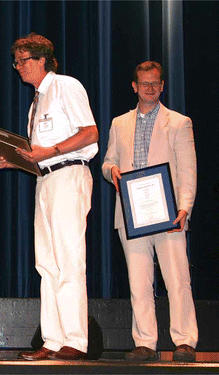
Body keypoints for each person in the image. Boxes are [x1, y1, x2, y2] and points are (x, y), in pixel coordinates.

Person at [0, 33, 98, 360]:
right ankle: (52, 339)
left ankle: (76, 341)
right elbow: (37, 156)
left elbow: (90, 133)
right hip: (47, 181)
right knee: (46, 263)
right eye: (17, 61)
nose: (18, 67)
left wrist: (47, 151)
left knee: (68, 260)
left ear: (42, 60)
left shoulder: (66, 86)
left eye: (23, 60)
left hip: (69, 176)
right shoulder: (36, 101)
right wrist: (13, 159)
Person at [102, 61, 198, 362]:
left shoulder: (179, 122)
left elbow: (188, 171)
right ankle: (145, 342)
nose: (150, 88)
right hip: (132, 214)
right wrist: (112, 171)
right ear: (134, 86)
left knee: (177, 278)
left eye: (155, 82)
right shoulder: (119, 123)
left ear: (162, 85)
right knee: (138, 281)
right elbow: (107, 162)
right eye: (144, 83)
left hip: (169, 213)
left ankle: (184, 340)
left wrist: (184, 208)